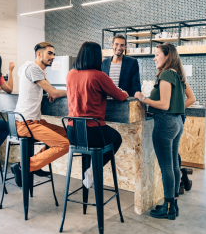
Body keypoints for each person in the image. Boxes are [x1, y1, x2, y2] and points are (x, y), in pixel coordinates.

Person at [135, 43, 186, 220]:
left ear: (167, 56)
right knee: (173, 165)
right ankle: (173, 205)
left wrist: (143, 99)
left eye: (157, 54)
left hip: (165, 123)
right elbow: (173, 102)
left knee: (167, 167)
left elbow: (164, 104)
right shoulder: (177, 74)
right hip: (177, 122)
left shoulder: (166, 73)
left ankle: (168, 207)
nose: (154, 58)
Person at [66, 41, 128, 187]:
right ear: (95, 56)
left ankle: (89, 175)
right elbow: (119, 96)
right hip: (93, 132)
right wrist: (125, 93)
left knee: (94, 146)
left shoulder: (70, 74)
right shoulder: (99, 75)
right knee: (116, 139)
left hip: (72, 132)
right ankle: (92, 172)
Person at [10, 42, 69, 186]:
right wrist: (73, 91)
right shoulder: (33, 68)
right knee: (65, 145)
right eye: (49, 53)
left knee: (68, 134)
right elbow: (54, 92)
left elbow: (51, 90)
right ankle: (24, 166)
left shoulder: (31, 68)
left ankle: (34, 164)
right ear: (39, 54)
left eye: (54, 54)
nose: (53, 57)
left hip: (33, 121)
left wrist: (52, 92)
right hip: (25, 123)